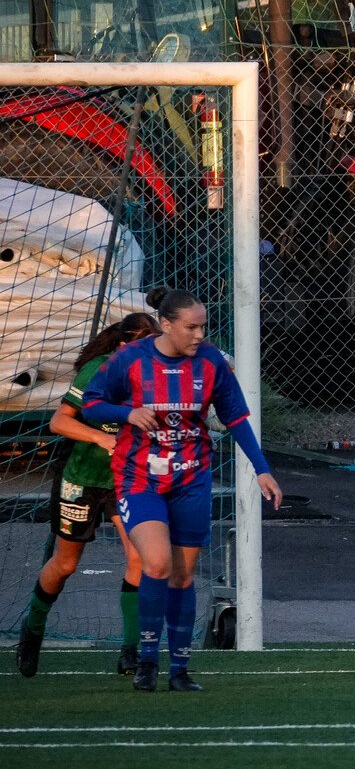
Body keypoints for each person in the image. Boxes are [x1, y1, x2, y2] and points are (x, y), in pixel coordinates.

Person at [81, 288, 282, 691]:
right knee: (156, 564)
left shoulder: (210, 362)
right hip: (140, 479)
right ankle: (146, 660)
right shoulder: (131, 359)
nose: (199, 334)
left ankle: (179, 670)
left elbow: (235, 417)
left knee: (182, 575)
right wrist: (128, 413)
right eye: (191, 327)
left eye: (203, 326)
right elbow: (90, 404)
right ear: (166, 325)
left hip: (191, 479)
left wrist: (262, 469)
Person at [14, 312, 161, 678]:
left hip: (126, 479)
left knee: (140, 556)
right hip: (82, 476)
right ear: (124, 346)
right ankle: (32, 630)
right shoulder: (98, 370)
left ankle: (130, 651)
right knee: (66, 565)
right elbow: (59, 421)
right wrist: (101, 437)